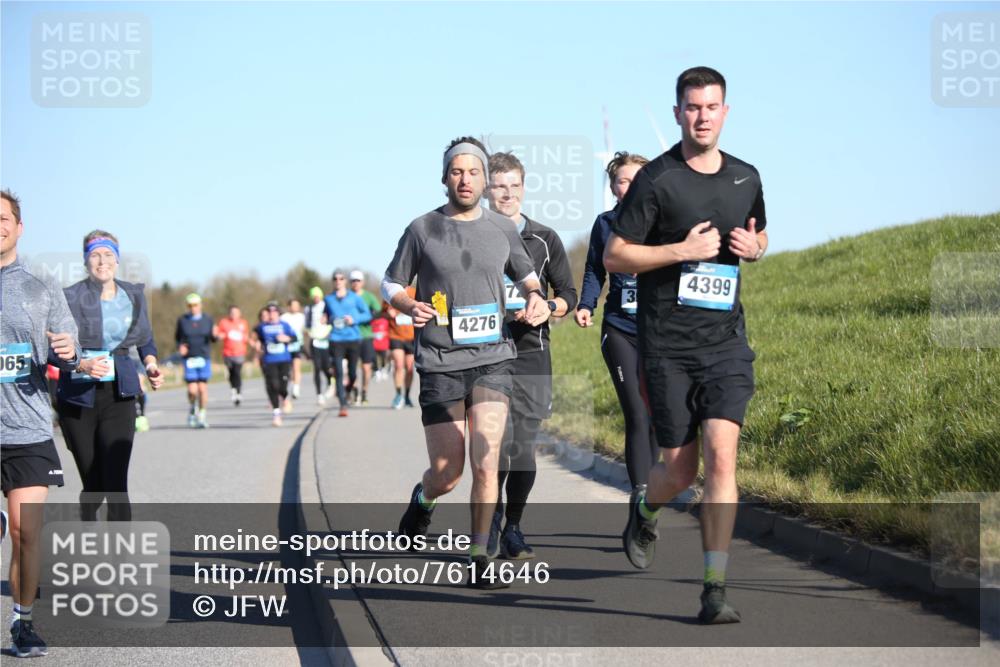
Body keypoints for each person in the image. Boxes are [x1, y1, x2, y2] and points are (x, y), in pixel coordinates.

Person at [604, 67, 768, 624]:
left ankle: (714, 588)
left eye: (712, 106)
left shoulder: (746, 177)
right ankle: (646, 508)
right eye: (692, 107)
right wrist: (679, 250)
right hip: (666, 348)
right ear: (677, 113)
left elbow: (760, 231)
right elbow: (616, 255)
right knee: (678, 471)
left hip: (724, 343)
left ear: (726, 112)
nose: (703, 116)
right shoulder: (656, 180)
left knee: (723, 458)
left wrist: (757, 246)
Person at [384, 137, 549, 588]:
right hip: (439, 360)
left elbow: (529, 277)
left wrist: (537, 299)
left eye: (473, 171)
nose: (465, 179)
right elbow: (390, 282)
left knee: (486, 457)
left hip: (493, 358)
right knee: (448, 472)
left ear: (483, 178)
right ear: (444, 178)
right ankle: (424, 500)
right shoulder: (422, 229)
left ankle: (480, 554)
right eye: (456, 172)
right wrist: (405, 303)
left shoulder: (502, 228)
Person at [485, 152, 578, 560]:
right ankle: (488, 522)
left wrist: (549, 308)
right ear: (487, 189)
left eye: (514, 186)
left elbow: (568, 295)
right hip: (485, 354)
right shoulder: (472, 235)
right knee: (494, 445)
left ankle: (514, 527)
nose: (507, 194)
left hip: (532, 353)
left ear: (523, 188)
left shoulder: (545, 238)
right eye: (499, 186)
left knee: (522, 446)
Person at [1, 188, 80, 657]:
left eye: (5, 217)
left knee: (25, 531)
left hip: (27, 429)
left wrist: (66, 353)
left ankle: (22, 623)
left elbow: (65, 346)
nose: (0, 225)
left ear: (19, 226)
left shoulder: (40, 284)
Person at [57, 229, 164, 523]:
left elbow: (145, 340)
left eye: (107, 255)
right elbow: (55, 346)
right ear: (85, 261)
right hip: (78, 398)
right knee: (94, 483)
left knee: (116, 484)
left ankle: (119, 559)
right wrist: (81, 364)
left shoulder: (133, 295)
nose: (101, 261)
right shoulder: (69, 298)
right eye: (94, 255)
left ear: (116, 260)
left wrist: (151, 364)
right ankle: (88, 511)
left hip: (120, 395)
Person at [576, 151, 659, 502]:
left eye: (637, 179)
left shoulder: (664, 224)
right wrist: (585, 303)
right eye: (622, 180)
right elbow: (595, 269)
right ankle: (641, 496)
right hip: (619, 329)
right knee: (637, 413)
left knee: (657, 414)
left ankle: (653, 494)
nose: (629, 186)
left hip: (660, 333)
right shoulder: (605, 223)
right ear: (613, 186)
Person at [323, 271, 372, 417]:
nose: (338, 281)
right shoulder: (328, 299)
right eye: (335, 279)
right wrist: (326, 319)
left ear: (345, 281)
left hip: (353, 338)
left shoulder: (354, 298)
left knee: (352, 373)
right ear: (333, 281)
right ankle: (342, 405)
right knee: (338, 372)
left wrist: (354, 319)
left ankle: (349, 389)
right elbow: (326, 315)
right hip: (336, 339)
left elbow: (367, 314)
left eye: (341, 278)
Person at [175, 293, 216, 428]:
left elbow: (212, 338)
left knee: (202, 389)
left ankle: (202, 414)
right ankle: (193, 407)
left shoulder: (208, 319)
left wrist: (216, 335)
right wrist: (181, 347)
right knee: (192, 390)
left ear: (200, 305)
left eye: (196, 305)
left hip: (203, 357)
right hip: (189, 358)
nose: (193, 308)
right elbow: (178, 338)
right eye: (190, 305)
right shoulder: (182, 320)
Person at [254, 302, 297, 426]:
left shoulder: (285, 325)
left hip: (284, 359)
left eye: (274, 312)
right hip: (269, 360)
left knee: (282, 386)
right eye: (269, 312)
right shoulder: (262, 327)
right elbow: (257, 338)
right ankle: (276, 414)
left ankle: (285, 397)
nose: (271, 314)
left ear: (278, 313)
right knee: (272, 385)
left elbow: (295, 338)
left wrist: (287, 339)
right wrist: (257, 346)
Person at [350, 271, 382, 405]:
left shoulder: (369, 296)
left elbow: (378, 311)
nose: (355, 283)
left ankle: (364, 392)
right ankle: (354, 389)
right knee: (351, 368)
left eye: (358, 280)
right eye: (353, 281)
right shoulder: (347, 296)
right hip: (350, 336)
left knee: (366, 367)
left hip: (366, 335)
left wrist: (369, 318)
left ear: (362, 282)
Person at [383, 285, 416, 409]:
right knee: (398, 365)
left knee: (409, 367)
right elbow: (383, 313)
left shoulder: (414, 292)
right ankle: (398, 395)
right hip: (395, 335)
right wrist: (388, 313)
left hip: (411, 336)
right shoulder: (390, 292)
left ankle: (407, 395)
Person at [215, 305, 250, 406]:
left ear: (239, 313)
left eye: (236, 312)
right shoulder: (224, 322)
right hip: (227, 353)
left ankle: (238, 392)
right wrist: (219, 336)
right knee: (231, 373)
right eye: (232, 312)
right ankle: (233, 389)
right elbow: (219, 334)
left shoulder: (243, 323)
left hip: (239, 352)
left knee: (237, 372)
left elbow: (245, 336)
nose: (234, 314)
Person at [304, 286, 333, 404]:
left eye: (317, 295)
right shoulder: (308, 309)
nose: (315, 298)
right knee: (317, 368)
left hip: (326, 339)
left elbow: (333, 319)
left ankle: (331, 383)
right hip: (315, 340)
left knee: (326, 367)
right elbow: (306, 324)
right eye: (313, 296)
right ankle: (319, 394)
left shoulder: (326, 306)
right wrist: (309, 333)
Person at [280, 298, 306, 399]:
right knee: (287, 370)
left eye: (297, 305)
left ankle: (296, 388)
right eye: (294, 305)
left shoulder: (302, 317)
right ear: (289, 306)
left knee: (296, 367)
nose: (296, 307)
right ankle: (290, 384)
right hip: (286, 346)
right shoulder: (284, 317)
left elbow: (306, 329)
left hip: (297, 345)